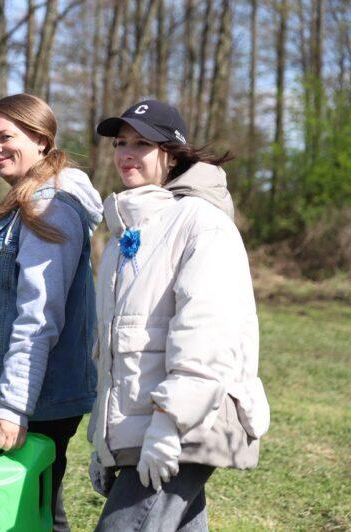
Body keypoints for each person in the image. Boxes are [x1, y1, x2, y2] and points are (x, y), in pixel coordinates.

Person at [87, 99, 271, 530]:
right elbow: (114, 349)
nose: (126, 153)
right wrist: (102, 442)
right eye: (120, 143)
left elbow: (206, 334)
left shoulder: (201, 223)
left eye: (142, 144)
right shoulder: (124, 234)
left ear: (171, 154)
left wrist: (169, 425)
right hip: (144, 425)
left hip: (185, 421)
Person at [0, 93, 103, 532]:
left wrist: (14, 405)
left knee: (31, 517)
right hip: (30, 393)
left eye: (5, 137)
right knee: (36, 512)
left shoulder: (48, 205)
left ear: (40, 139)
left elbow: (39, 316)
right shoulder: (28, 202)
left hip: (40, 398)